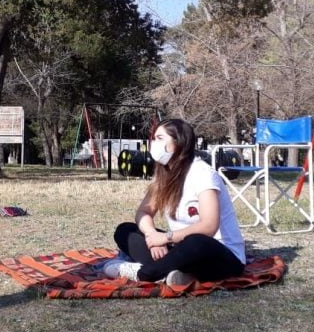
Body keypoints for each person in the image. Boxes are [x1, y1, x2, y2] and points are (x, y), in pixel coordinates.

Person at [105, 119, 246, 286]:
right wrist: (152, 237)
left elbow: (209, 226)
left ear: (178, 142)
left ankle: (144, 274)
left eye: (160, 138)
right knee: (125, 230)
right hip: (178, 248)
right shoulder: (164, 175)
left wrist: (165, 237)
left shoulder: (203, 174)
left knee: (196, 241)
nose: (154, 143)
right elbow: (144, 212)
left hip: (219, 255)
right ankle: (176, 275)